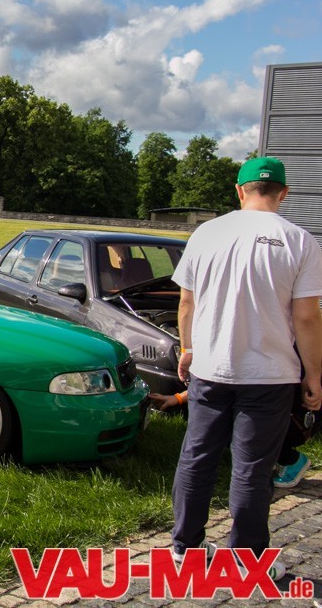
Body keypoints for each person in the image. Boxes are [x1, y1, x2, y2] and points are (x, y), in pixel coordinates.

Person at [168, 156, 322, 580]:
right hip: (270, 375)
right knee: (253, 467)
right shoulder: (300, 241)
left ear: (239, 190)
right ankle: (248, 559)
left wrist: (188, 349)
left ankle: (185, 548)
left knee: (197, 457)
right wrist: (314, 375)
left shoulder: (206, 233)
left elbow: (187, 303)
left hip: (210, 368)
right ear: (283, 193)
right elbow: (307, 317)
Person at [149, 390, 318, 488]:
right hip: (280, 413)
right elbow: (212, 384)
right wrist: (177, 398)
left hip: (298, 420)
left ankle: (290, 459)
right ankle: (267, 461)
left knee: (241, 426)